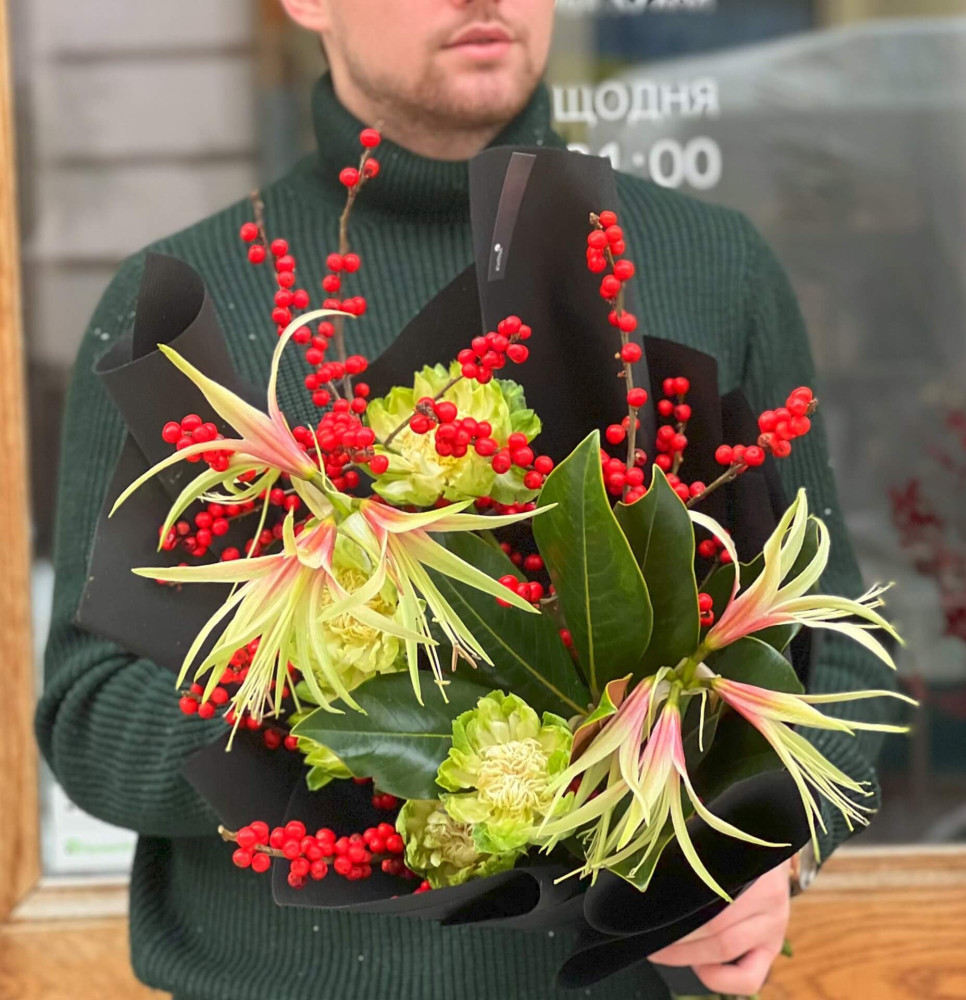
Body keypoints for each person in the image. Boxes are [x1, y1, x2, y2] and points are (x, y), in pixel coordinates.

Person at [35, 1, 896, 998]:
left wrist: (775, 845)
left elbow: (838, 647)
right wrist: (341, 678)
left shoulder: (709, 264)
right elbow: (92, 720)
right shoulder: (184, 309)